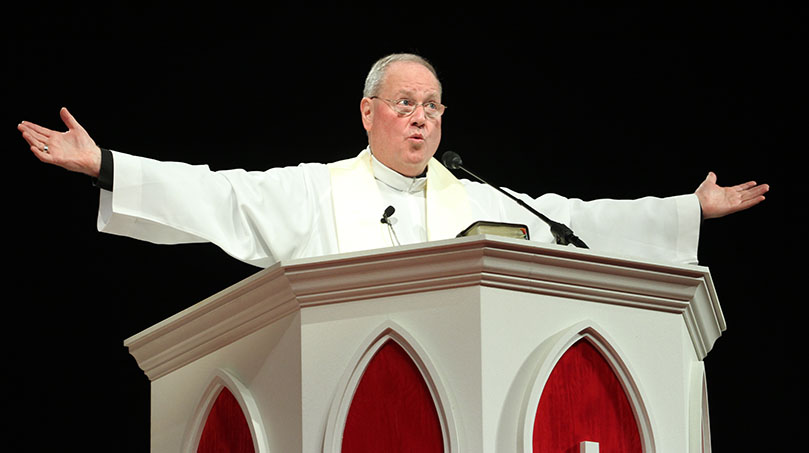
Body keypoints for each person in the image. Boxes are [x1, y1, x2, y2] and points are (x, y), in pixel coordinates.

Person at [17, 53, 769, 268]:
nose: (421, 116)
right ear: (368, 112)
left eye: (433, 104)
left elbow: (569, 221)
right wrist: (106, 164)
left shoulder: (476, 196)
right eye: (405, 102)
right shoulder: (317, 191)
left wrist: (684, 210)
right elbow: (220, 197)